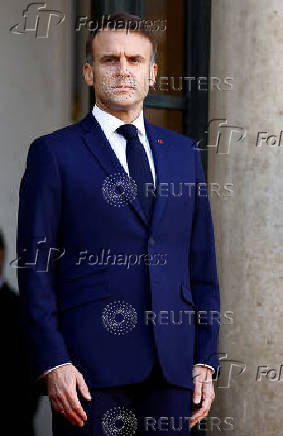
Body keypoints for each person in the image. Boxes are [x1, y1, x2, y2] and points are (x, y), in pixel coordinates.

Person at [17, 11, 220, 435]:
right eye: (110, 60)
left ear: (152, 74)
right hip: (89, 376)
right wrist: (54, 361)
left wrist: (204, 358)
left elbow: (201, 263)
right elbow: (35, 268)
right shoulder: (54, 154)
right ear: (90, 73)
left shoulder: (184, 154)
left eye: (134, 60)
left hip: (174, 372)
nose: (123, 69)